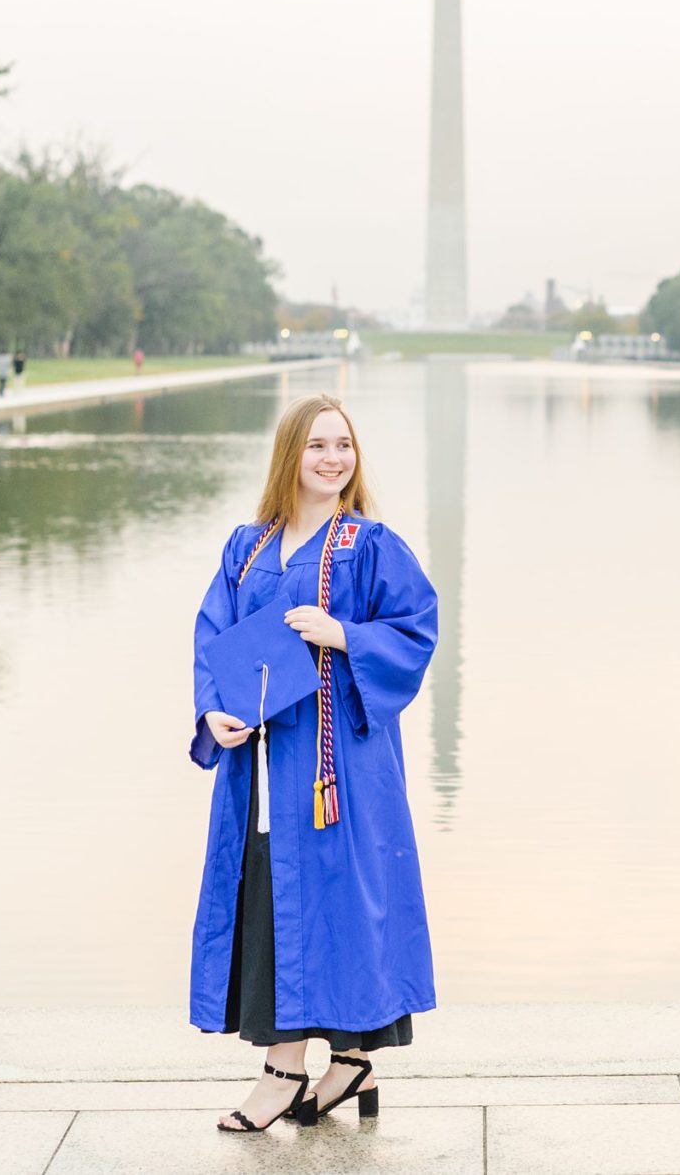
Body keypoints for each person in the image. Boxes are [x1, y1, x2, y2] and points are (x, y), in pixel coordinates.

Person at [188, 394, 439, 1134]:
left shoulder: (370, 544)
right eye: (319, 446)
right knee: (272, 901)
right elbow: (214, 639)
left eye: (345, 446)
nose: (334, 459)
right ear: (290, 455)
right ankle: (309, 1065)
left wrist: (344, 635)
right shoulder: (248, 547)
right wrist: (212, 712)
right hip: (261, 769)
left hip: (342, 774)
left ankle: (316, 1065)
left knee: (341, 908)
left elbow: (416, 631)